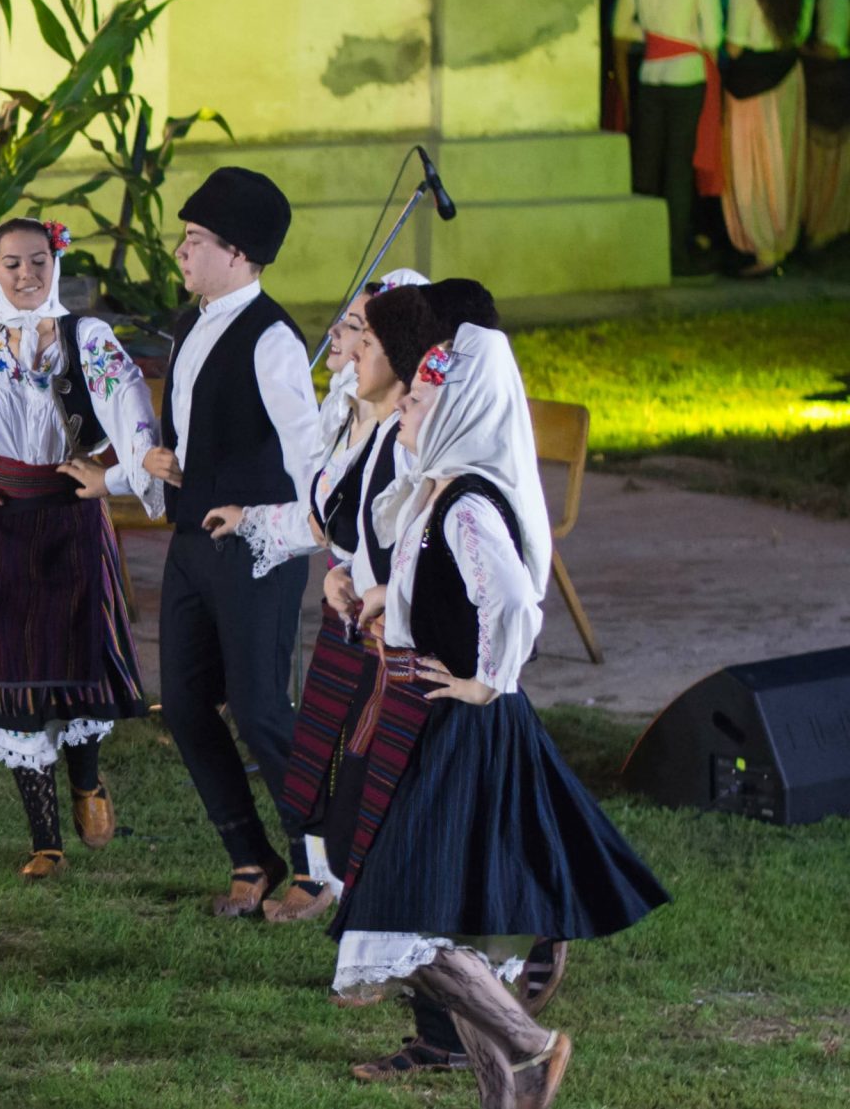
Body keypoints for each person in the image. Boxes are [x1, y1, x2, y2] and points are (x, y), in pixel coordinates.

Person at [328, 323, 668, 1109]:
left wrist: (488, 679)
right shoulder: (443, 490)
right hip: (436, 714)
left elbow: (514, 598)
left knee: (401, 921)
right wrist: (385, 598)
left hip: (461, 727)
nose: (405, 412)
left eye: (418, 401)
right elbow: (441, 585)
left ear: (456, 410)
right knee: (461, 925)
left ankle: (532, 1043)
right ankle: (510, 1096)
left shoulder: (467, 501)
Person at [0, 220, 160, 880]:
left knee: (78, 659)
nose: (26, 273)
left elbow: (129, 402)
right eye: (12, 262)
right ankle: (46, 839)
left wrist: (119, 470)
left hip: (68, 512)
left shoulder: (84, 337)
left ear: (54, 262)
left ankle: (87, 781)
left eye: (37, 260)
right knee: (9, 672)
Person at [204, 268, 428, 911]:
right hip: (353, 612)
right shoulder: (354, 418)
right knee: (335, 762)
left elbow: (421, 538)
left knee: (383, 772)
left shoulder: (410, 437)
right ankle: (344, 897)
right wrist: (269, 529)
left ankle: (376, 914)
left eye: (358, 329)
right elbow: (333, 517)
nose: (342, 339)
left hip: (399, 626)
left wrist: (378, 584)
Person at [140, 166, 328, 917]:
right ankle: (249, 851)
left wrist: (279, 524)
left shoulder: (273, 338)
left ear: (239, 253)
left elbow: (308, 455)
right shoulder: (191, 323)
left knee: (260, 709)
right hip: (191, 543)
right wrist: (160, 461)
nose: (182, 252)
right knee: (184, 705)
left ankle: (321, 862)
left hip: (257, 548)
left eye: (194, 240)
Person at [610, 0, 725, 273]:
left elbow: (620, 29)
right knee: (678, 167)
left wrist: (653, 37)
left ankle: (640, 251)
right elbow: (713, 36)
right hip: (687, 77)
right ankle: (675, 254)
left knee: (646, 163)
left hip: (649, 75)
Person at [720, 0, 814, 272]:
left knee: (752, 163)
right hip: (789, 78)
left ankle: (762, 247)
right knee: (783, 160)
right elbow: (800, 36)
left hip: (750, 84)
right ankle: (781, 241)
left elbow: (735, 46)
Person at [797, 0, 849, 249]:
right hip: (832, 86)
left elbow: (829, 49)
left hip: (830, 88)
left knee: (827, 164)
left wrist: (799, 48)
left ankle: (824, 227)